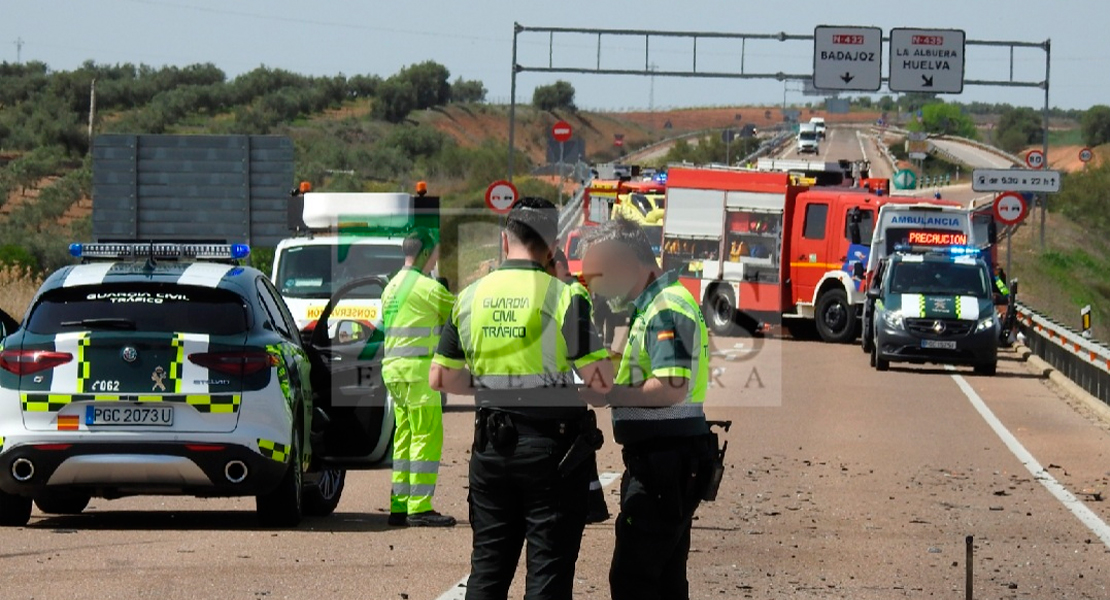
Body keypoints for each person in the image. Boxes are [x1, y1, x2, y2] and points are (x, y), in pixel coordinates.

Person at [429, 197, 614, 600]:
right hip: (553, 453)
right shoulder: (565, 297)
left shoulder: (469, 297)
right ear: (552, 246)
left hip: (491, 449)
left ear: (503, 240)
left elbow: (440, 377)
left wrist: (494, 387)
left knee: (487, 574)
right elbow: (600, 385)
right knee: (547, 577)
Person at [578, 217, 715, 600]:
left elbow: (671, 387)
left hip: (664, 463)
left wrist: (610, 394)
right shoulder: (658, 301)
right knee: (666, 579)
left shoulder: (664, 309)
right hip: (671, 459)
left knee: (633, 580)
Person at [381, 228, 457, 527]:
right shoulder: (426, 288)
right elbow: (460, 315)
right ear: (425, 253)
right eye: (436, 253)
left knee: (404, 437)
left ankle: (399, 505)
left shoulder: (391, 287)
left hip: (394, 371)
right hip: (418, 373)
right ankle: (420, 506)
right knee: (426, 436)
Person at [548, 248, 610, 524]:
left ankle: (591, 505)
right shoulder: (567, 291)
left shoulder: (573, 292)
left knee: (578, 444)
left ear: (561, 266)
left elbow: (577, 336)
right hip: (572, 370)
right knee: (579, 446)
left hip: (573, 371)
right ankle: (592, 504)